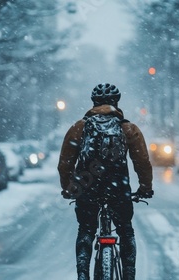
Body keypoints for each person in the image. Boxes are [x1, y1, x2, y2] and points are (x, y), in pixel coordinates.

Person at [58, 83, 153, 280]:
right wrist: (145, 187)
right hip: (118, 190)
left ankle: (83, 274)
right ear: (116, 103)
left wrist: (68, 187)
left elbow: (65, 162)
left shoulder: (79, 127)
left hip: (86, 188)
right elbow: (142, 161)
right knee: (126, 232)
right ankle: (129, 274)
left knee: (85, 231)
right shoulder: (127, 128)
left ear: (93, 103)